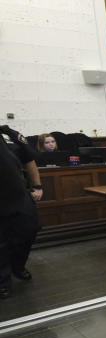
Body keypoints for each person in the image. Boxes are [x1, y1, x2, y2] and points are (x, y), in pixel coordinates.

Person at [0, 124, 42, 298]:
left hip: (19, 192)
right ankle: (3, 281)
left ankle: (18, 266)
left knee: (30, 229)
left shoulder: (9, 134)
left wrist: (37, 186)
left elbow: (28, 160)